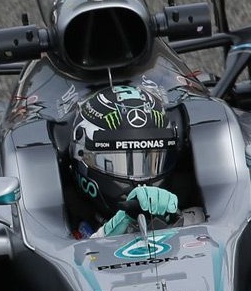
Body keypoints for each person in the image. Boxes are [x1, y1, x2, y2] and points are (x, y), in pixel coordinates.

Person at [56, 82, 190, 238]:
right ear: (81, 157)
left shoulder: (194, 212)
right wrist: (102, 236)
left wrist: (175, 219)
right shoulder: (61, 214)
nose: (141, 186)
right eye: (119, 162)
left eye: (150, 162)